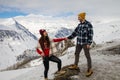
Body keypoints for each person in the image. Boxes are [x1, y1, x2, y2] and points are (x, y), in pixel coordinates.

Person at [67, 12, 94, 77]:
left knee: (87, 55)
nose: (78, 18)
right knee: (76, 53)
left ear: (82, 17)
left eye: (79, 17)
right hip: (79, 42)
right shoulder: (79, 25)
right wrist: (69, 38)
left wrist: (89, 43)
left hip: (85, 43)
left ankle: (90, 69)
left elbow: (91, 34)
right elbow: (75, 33)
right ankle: (75, 65)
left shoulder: (88, 24)